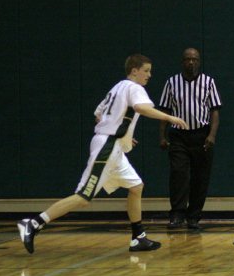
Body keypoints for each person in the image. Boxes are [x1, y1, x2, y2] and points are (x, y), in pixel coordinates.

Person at [17, 54, 188, 254]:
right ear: (134, 70)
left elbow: (99, 114)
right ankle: (34, 223)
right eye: (146, 71)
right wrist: (169, 117)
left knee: (136, 186)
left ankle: (138, 237)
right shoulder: (135, 88)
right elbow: (141, 108)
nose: (149, 75)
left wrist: (122, 135)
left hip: (111, 144)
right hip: (107, 147)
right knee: (83, 197)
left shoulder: (116, 88)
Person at [158, 47, 222, 230]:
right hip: (179, 136)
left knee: (200, 177)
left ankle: (194, 216)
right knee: (179, 174)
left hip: (202, 135)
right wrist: (162, 135)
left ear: (199, 62)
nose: (191, 62)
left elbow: (215, 112)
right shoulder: (171, 82)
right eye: (187, 59)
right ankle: (177, 214)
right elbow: (165, 111)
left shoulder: (208, 82)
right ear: (182, 62)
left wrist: (211, 135)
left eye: (194, 59)